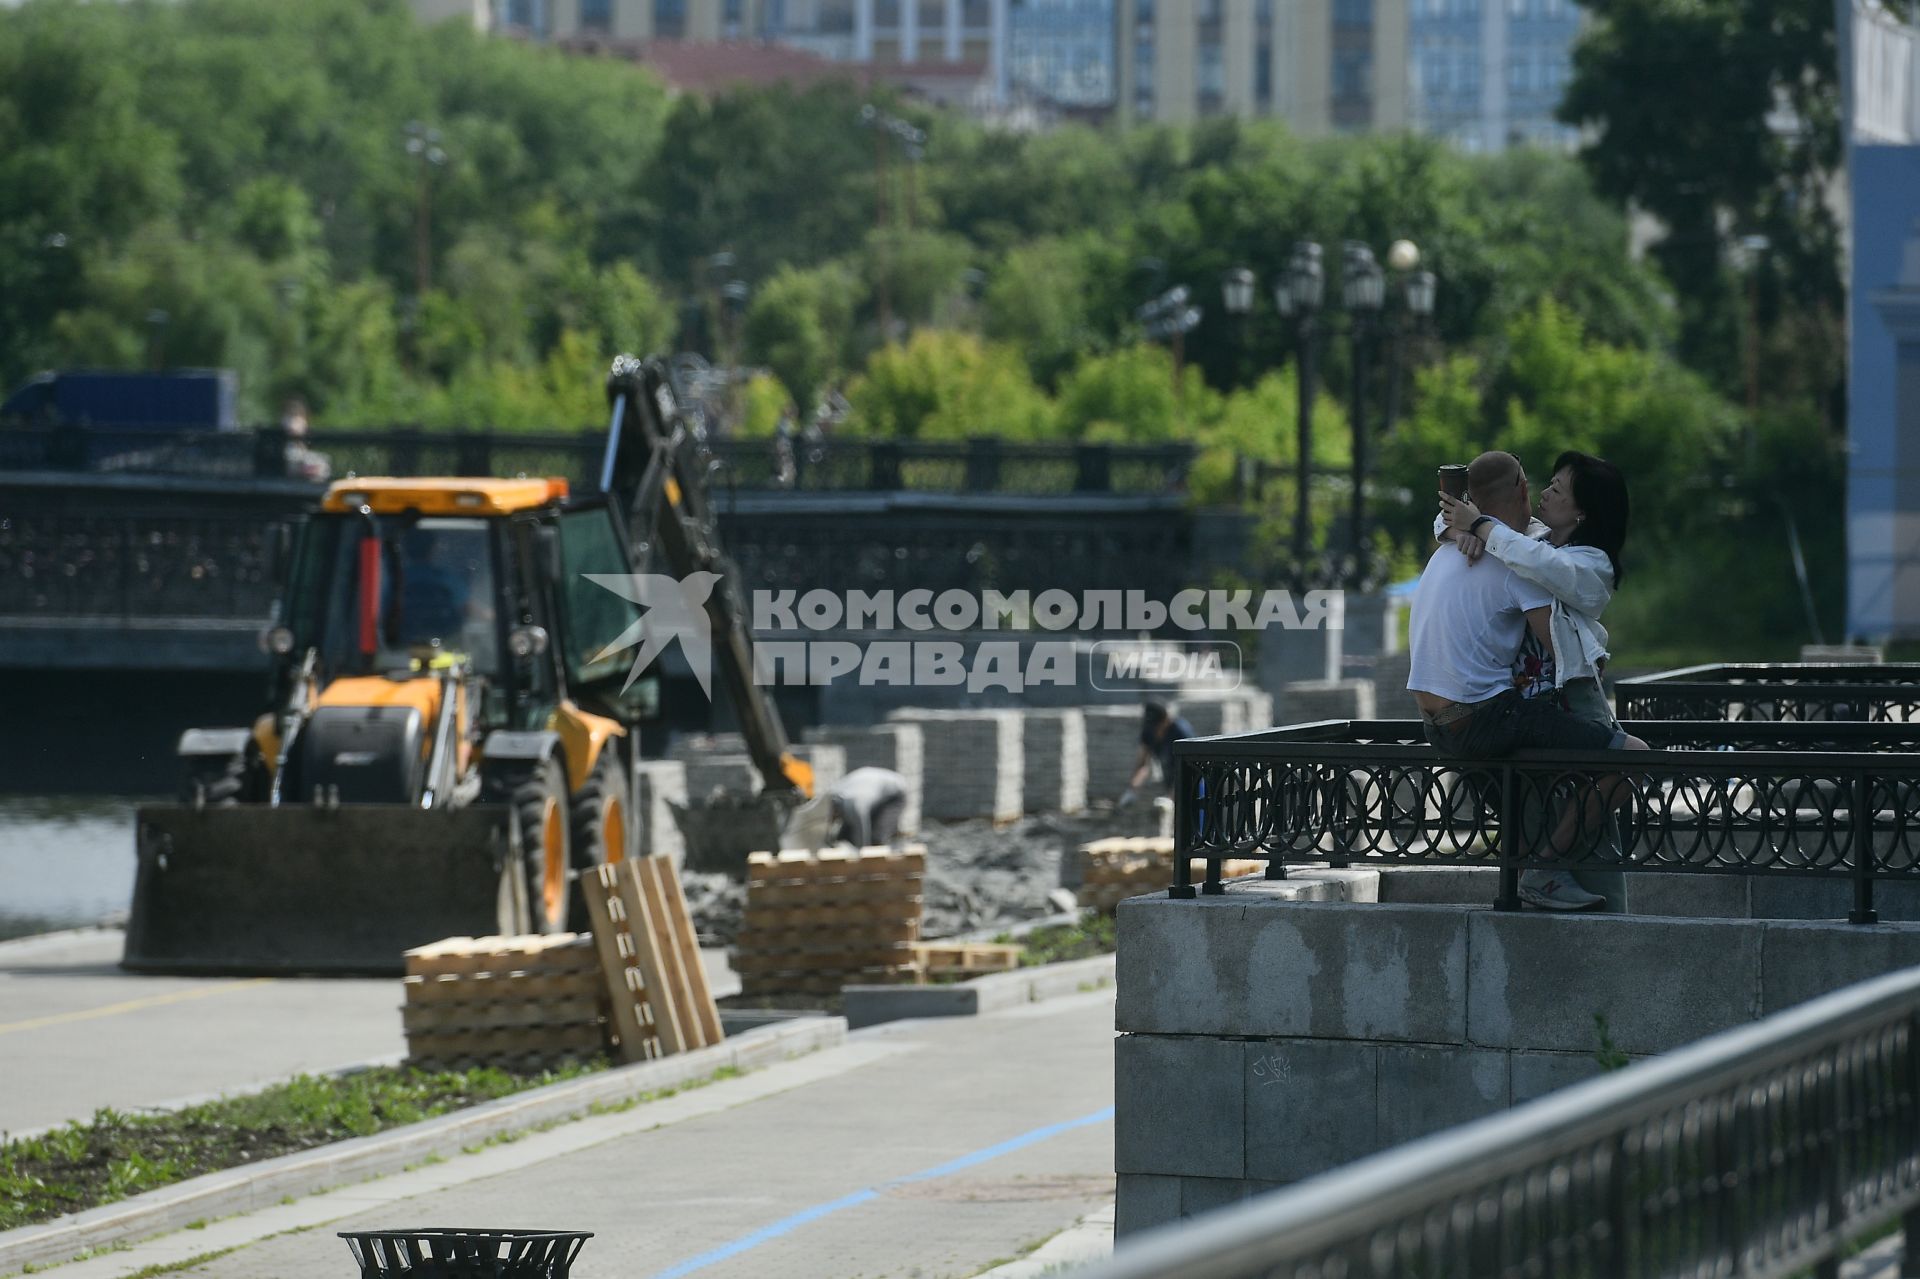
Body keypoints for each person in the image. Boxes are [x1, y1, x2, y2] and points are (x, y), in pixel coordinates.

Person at [1407, 451, 1646, 911]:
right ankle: (1544, 871)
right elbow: (1557, 649)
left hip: (1462, 721)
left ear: (1582, 510)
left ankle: (1551, 878)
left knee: (1578, 820)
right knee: (1625, 765)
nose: (1544, 493)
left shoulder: (1565, 559)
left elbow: (1533, 556)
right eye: (1543, 483)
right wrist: (1463, 526)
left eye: (1557, 487)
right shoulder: (1518, 552)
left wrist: (1474, 528)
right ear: (1520, 488)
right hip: (1496, 715)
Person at [784, 767, 910, 850]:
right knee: (843, 838)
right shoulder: (832, 794)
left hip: (894, 794)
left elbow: (863, 841)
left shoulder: (856, 807)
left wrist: (863, 862)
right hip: (870, 788)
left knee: (875, 839)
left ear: (836, 811)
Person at [1122, 701, 1194, 806]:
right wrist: (1132, 789)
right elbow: (1142, 764)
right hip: (1170, 780)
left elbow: (1190, 768)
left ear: (1166, 720)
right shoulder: (1148, 731)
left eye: (1158, 725)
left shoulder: (1181, 731)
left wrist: (1173, 795)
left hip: (1192, 782)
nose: (1155, 730)